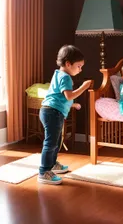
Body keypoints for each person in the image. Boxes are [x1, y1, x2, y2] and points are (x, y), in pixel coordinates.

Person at [38, 45, 92, 185]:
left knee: (55, 142)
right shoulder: (66, 77)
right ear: (68, 64)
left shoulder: (58, 74)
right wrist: (84, 87)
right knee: (50, 143)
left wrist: (72, 105)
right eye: (79, 66)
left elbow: (58, 96)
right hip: (52, 113)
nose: (80, 69)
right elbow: (69, 96)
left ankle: (52, 165)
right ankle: (44, 172)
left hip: (50, 111)